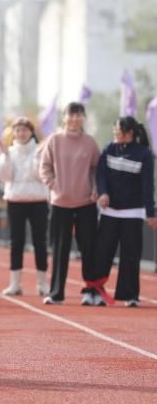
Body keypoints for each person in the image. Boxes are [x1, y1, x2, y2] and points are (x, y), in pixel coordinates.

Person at [91, 116, 157, 307]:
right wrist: (103, 193)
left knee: (131, 255)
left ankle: (130, 295)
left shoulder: (144, 154)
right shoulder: (109, 148)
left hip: (133, 213)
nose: (115, 134)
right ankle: (96, 291)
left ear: (129, 133)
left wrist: (151, 213)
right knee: (103, 253)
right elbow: (100, 174)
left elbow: (148, 186)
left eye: (118, 131)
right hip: (110, 212)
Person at [39, 102, 100, 305]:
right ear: (64, 117)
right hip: (60, 203)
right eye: (71, 115)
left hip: (85, 203)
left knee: (89, 248)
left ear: (83, 118)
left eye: (79, 115)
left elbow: (96, 170)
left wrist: (94, 189)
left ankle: (92, 291)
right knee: (60, 249)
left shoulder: (90, 143)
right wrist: (54, 185)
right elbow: (45, 167)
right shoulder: (54, 140)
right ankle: (56, 293)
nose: (74, 119)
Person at [0, 117, 49, 296]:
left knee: (40, 242)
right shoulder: (9, 151)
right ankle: (15, 283)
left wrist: (38, 156)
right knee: (16, 243)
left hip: (38, 201)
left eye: (24, 130)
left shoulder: (40, 150)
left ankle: (42, 283)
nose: (21, 133)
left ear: (31, 132)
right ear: (14, 133)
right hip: (15, 201)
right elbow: (3, 176)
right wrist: (5, 156)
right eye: (17, 130)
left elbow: (41, 175)